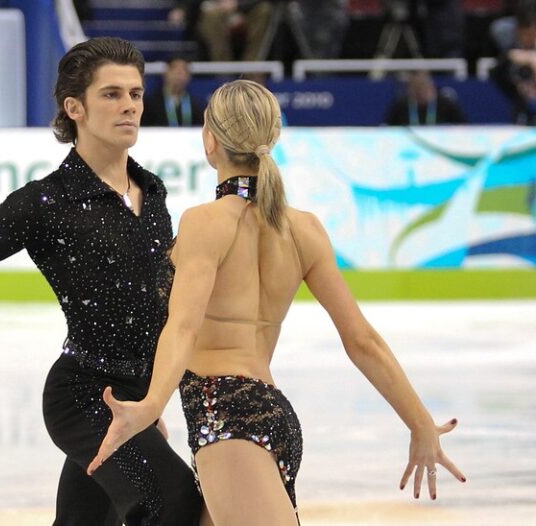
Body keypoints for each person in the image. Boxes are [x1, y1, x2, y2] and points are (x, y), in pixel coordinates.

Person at [87, 80, 467, 524]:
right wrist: (419, 421)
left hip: (224, 415)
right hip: (269, 415)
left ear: (210, 140)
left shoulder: (205, 222)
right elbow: (362, 340)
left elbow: (184, 327)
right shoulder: (304, 229)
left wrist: (151, 405)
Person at [0, 37, 203, 526]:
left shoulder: (152, 191)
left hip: (131, 398)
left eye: (136, 94)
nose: (129, 107)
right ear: (74, 107)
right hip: (81, 397)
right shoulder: (45, 203)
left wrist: (149, 396)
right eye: (112, 94)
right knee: (173, 503)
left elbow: (154, 302)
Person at [169, 0, 278, 61]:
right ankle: (224, 72)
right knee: (212, 16)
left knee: (264, 10)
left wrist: (238, 5)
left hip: (245, 10)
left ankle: (250, 69)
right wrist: (181, 8)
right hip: (213, 11)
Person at [491, 7, 536, 125]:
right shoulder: (512, 55)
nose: (530, 38)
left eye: (533, 33)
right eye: (527, 34)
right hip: (524, 111)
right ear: (519, 32)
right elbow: (497, 74)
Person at [385, 70, 467, 125]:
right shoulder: (401, 106)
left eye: (422, 89)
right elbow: (388, 129)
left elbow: (464, 126)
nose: (419, 93)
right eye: (416, 90)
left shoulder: (446, 105)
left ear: (431, 88)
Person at [142, 56, 204, 127]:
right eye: (175, 69)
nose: (179, 74)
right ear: (166, 73)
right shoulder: (151, 103)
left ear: (189, 76)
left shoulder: (195, 104)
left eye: (183, 70)